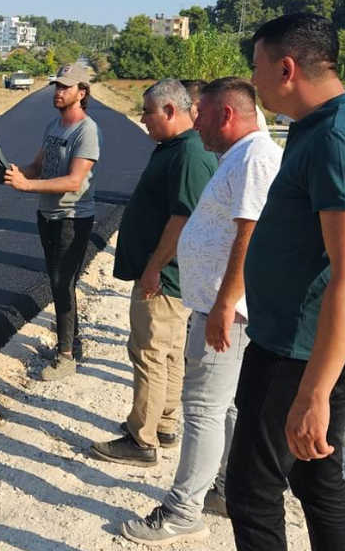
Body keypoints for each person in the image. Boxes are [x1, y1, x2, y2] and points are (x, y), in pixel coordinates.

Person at [226, 13, 345, 551]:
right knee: (315, 477)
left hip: (300, 354)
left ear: (286, 67)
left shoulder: (339, 139)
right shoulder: (326, 127)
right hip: (305, 347)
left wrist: (315, 392)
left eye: (256, 68)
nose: (253, 81)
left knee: (252, 491)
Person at [121, 77, 282, 545]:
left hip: (226, 310)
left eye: (203, 114)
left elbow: (247, 238)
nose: (198, 123)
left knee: (203, 410)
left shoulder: (253, 159)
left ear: (226, 115)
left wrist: (224, 305)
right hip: (222, 306)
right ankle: (225, 489)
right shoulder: (240, 155)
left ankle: (181, 510)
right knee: (225, 407)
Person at [92, 79, 217, 467]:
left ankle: (140, 439)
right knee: (168, 353)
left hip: (165, 277)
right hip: (172, 275)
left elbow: (183, 218)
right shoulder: (177, 148)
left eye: (147, 111)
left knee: (148, 353)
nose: (142, 119)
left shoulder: (189, 155)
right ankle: (163, 423)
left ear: (169, 111)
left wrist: (153, 268)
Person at [3, 63, 100, 380]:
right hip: (47, 214)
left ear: (81, 92)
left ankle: (66, 356)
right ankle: (69, 342)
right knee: (58, 282)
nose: (58, 92)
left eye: (65, 87)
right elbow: (37, 166)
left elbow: (74, 181)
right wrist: (10, 173)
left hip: (72, 218)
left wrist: (27, 186)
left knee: (62, 283)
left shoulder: (86, 131)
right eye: (57, 86)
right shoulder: (53, 127)